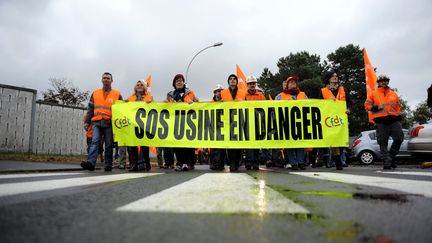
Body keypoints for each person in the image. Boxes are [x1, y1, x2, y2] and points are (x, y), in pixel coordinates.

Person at [81, 72, 123, 171]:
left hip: (109, 123)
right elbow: (90, 108)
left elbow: (122, 109)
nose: (106, 79)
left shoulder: (117, 94)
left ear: (111, 81)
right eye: (104, 78)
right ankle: (91, 163)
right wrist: (87, 121)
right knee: (95, 142)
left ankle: (108, 165)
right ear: (101, 80)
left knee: (109, 144)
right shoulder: (95, 93)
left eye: (108, 78)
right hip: (96, 122)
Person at [364, 75, 403, 170]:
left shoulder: (394, 94)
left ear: (388, 82)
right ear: (378, 82)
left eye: (385, 81)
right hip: (381, 121)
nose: (384, 82)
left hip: (393, 120)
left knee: (399, 138)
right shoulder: (373, 93)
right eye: (381, 81)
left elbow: (398, 107)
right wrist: (376, 107)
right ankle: (387, 161)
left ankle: (391, 157)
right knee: (382, 142)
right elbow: (366, 106)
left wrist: (398, 115)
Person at [319, 71, 352, 170]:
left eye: (336, 76)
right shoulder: (323, 91)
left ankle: (336, 157)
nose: (335, 78)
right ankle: (338, 161)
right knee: (334, 141)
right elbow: (319, 105)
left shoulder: (343, 89)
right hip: (329, 120)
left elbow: (350, 102)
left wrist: (349, 109)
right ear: (328, 79)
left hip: (342, 119)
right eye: (333, 76)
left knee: (341, 141)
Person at [166, 74, 199, 171]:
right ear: (174, 84)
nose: (179, 82)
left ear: (184, 82)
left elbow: (197, 104)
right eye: (177, 81)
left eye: (180, 80)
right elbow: (167, 106)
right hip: (176, 122)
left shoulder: (190, 93)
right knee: (177, 143)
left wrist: (194, 102)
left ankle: (188, 162)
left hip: (188, 122)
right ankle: (180, 162)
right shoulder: (170, 95)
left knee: (188, 143)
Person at [275, 76, 307, 170]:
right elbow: (274, 107)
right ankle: (293, 163)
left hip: (300, 122)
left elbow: (310, 105)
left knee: (301, 143)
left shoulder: (303, 95)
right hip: (287, 123)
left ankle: (301, 162)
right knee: (290, 144)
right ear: (287, 85)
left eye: (294, 82)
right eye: (291, 82)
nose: (293, 83)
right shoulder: (280, 96)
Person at [221, 74, 246, 171]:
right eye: (230, 79)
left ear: (236, 81)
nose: (232, 80)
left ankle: (238, 162)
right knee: (230, 143)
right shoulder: (223, 93)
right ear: (228, 82)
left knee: (238, 143)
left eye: (234, 79)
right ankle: (232, 163)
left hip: (239, 120)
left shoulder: (243, 92)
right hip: (228, 121)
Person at [127, 80, 153, 171]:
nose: (139, 86)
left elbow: (154, 109)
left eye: (141, 84)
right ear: (135, 87)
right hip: (133, 124)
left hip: (144, 124)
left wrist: (151, 103)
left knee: (144, 145)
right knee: (132, 145)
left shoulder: (149, 97)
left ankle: (146, 162)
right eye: (138, 84)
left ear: (144, 87)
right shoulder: (130, 98)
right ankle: (134, 164)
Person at [243, 75, 266, 170]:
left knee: (256, 142)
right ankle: (248, 162)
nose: (252, 85)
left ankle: (256, 162)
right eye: (250, 83)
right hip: (247, 122)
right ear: (247, 85)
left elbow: (265, 107)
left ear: (255, 84)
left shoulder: (260, 95)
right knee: (248, 143)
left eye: (253, 83)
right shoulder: (244, 95)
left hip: (257, 122)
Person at [209, 84, 226, 170]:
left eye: (221, 91)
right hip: (214, 127)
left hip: (223, 127)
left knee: (222, 147)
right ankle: (213, 163)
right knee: (214, 146)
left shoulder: (226, 102)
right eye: (218, 91)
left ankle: (221, 164)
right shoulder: (210, 103)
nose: (219, 93)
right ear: (214, 93)